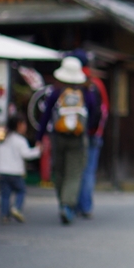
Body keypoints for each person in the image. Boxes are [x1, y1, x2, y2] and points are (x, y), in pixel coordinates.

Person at [36, 56, 101, 225]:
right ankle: (67, 205)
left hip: (58, 137)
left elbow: (46, 116)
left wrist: (39, 137)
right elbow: (95, 112)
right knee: (74, 173)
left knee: (59, 171)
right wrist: (88, 129)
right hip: (78, 138)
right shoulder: (86, 92)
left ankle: (62, 203)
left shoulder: (55, 91)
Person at [72, 50, 109, 219]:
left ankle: (72, 204)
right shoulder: (97, 84)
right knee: (88, 171)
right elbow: (104, 111)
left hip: (73, 133)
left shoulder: (72, 83)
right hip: (94, 134)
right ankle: (85, 206)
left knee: (74, 170)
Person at [0, 115, 41, 224]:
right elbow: (26, 154)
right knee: (21, 190)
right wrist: (38, 151)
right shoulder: (20, 140)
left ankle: (4, 215)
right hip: (15, 172)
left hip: (2, 171)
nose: (25, 127)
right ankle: (16, 207)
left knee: (5, 194)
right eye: (24, 124)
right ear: (19, 125)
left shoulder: (4, 139)